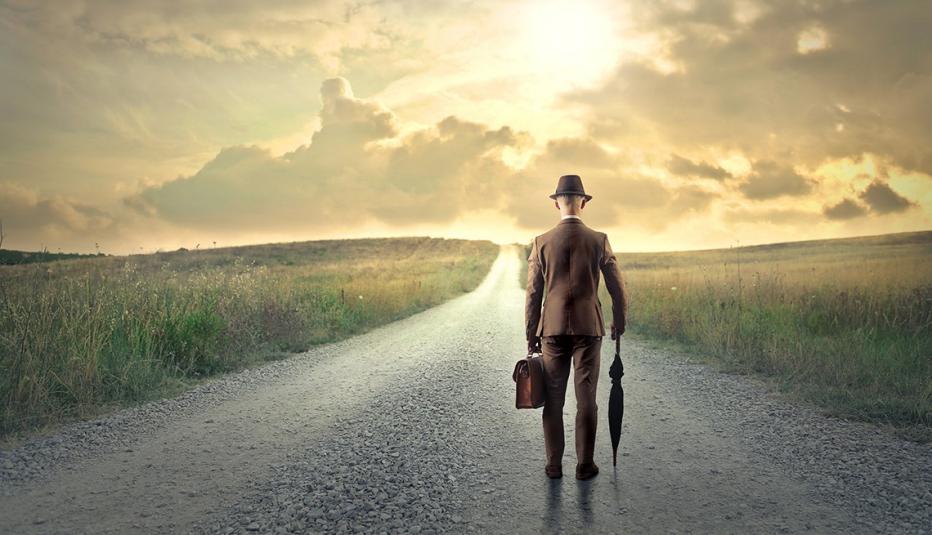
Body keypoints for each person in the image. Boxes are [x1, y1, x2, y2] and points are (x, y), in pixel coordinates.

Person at [525, 174, 628, 480]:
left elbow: (533, 294)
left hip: (552, 331)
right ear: (583, 202)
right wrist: (618, 322)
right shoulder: (599, 240)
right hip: (588, 328)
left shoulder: (541, 242)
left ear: (557, 202)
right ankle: (585, 465)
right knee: (587, 399)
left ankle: (554, 465)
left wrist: (531, 335)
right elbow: (617, 287)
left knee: (553, 399)